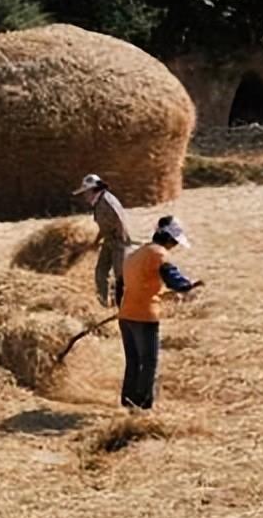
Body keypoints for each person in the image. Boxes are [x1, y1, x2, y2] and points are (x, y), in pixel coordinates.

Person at [118, 216, 204, 411]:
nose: (173, 246)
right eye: (174, 242)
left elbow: (121, 285)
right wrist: (188, 286)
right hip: (145, 316)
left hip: (126, 315)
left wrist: (122, 308)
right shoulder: (158, 255)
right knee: (148, 362)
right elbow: (174, 280)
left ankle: (127, 401)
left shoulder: (134, 254)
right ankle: (142, 406)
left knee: (133, 361)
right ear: (169, 238)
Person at [72, 173, 133, 307]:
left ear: (92, 190)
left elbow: (119, 220)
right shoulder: (99, 203)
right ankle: (104, 302)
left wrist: (120, 242)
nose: (84, 196)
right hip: (109, 240)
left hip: (118, 242)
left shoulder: (107, 201)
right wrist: (96, 242)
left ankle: (126, 305)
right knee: (101, 271)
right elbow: (104, 226)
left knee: (120, 275)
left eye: (85, 193)